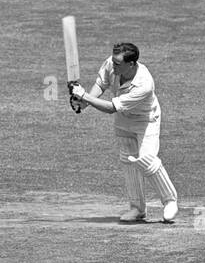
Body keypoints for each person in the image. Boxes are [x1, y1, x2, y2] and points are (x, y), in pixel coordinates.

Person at [69, 42, 180, 224]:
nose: (113, 66)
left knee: (147, 160)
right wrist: (86, 101)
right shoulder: (112, 64)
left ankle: (170, 201)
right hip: (124, 119)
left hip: (145, 120)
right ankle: (137, 208)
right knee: (128, 160)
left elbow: (112, 108)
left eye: (118, 63)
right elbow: (101, 83)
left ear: (131, 64)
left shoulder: (144, 84)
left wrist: (84, 96)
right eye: (113, 61)